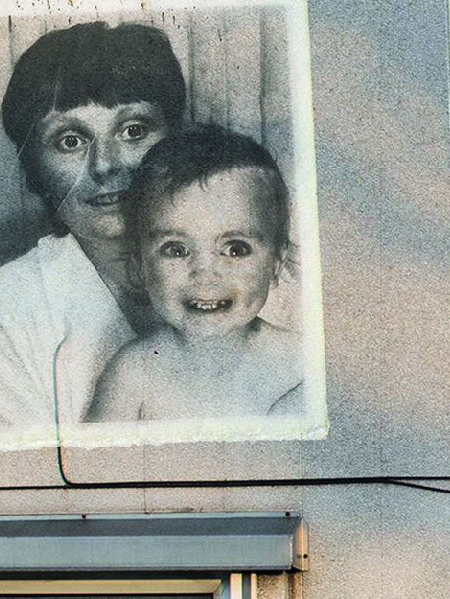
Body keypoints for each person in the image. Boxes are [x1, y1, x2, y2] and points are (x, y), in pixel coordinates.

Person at [0, 20, 187, 436]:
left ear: (177, 142)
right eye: (71, 141)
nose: (106, 165)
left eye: (133, 131)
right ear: (34, 173)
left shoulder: (277, 267)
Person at [87, 126, 303, 422]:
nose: (205, 274)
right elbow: (95, 465)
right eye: (176, 249)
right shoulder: (130, 376)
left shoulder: (301, 362)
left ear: (276, 264)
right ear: (140, 265)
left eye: (235, 249)